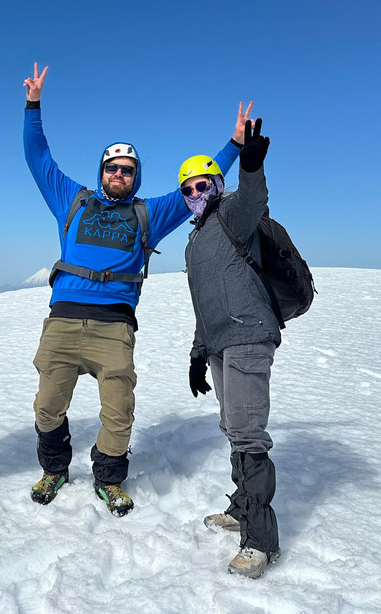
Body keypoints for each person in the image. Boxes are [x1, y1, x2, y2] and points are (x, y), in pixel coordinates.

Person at [23, 63, 247, 515]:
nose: (119, 174)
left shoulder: (151, 213)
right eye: (112, 168)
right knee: (47, 406)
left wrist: (235, 145)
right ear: (102, 171)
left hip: (114, 327)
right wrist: (33, 106)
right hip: (63, 320)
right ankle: (55, 469)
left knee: (119, 409)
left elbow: (200, 185)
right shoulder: (73, 199)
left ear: (136, 176)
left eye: (127, 169)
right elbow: (38, 157)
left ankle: (108, 477)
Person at [178, 106, 281, 578]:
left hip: (247, 337)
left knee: (247, 433)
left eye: (205, 183)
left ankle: (259, 540)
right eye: (190, 188)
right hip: (220, 343)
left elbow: (254, 198)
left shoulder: (232, 215)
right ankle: (242, 508)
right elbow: (206, 302)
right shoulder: (195, 242)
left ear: (217, 185)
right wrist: (199, 354)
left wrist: (251, 165)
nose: (198, 192)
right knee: (231, 426)